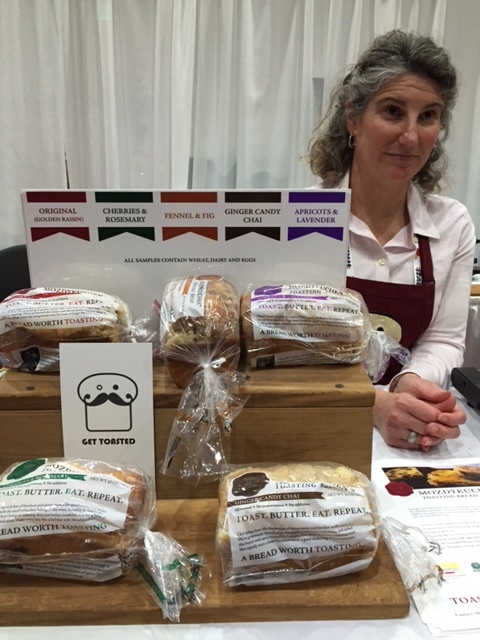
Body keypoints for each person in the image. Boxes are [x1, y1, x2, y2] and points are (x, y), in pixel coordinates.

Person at [307, 29, 476, 451]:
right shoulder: (301, 220)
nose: (411, 137)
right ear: (353, 118)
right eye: (393, 111)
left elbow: (443, 339)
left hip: (408, 433)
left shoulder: (452, 224)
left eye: (428, 116)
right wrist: (374, 404)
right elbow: (274, 353)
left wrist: (410, 383)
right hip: (315, 422)